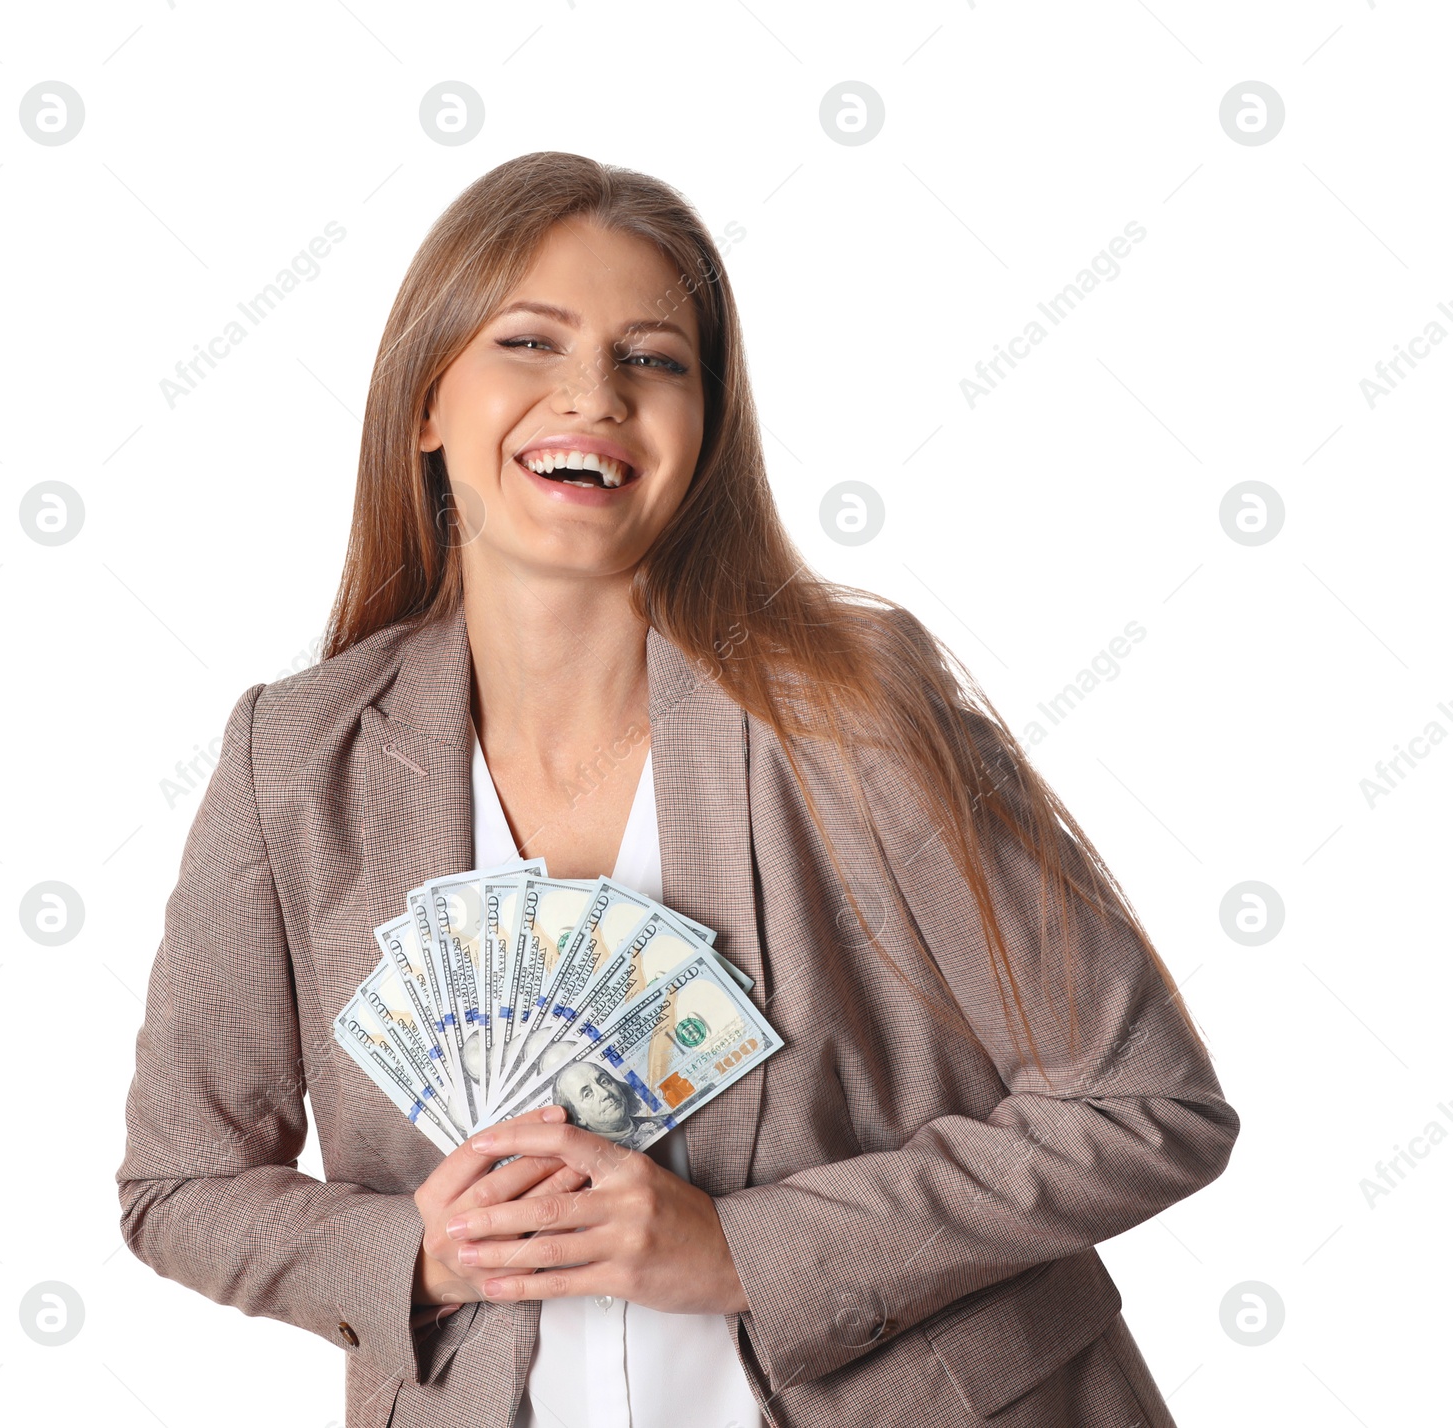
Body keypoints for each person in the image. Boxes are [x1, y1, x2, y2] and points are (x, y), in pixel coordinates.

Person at [117, 151, 1240, 1428]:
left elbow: (1145, 1104)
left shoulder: (848, 707)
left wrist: (745, 1251)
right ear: (425, 404)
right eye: (529, 342)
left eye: (653, 358)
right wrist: (417, 1256)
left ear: (702, 433)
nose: (591, 394)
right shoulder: (294, 756)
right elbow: (180, 1183)